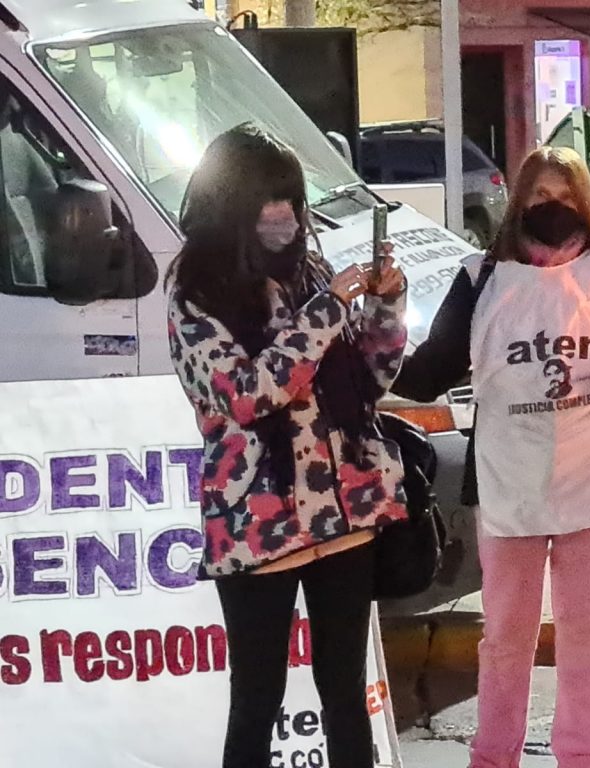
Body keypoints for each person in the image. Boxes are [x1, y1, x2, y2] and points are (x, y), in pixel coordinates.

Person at [393, 146, 590, 768]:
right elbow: (430, 373)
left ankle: (580, 754)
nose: (553, 208)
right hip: (507, 483)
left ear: (586, 203)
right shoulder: (480, 278)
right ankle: (493, 756)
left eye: (566, 197)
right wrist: (371, 345)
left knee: (585, 634)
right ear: (519, 203)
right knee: (505, 637)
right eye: (541, 196)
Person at [165, 124, 408, 768]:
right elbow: (249, 394)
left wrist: (387, 307)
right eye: (267, 200)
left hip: (344, 515)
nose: (284, 216)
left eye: (292, 200)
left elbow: (371, 379)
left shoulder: (312, 272)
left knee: (346, 695)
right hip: (257, 522)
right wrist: (328, 309)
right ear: (230, 204)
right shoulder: (195, 294)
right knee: (257, 699)